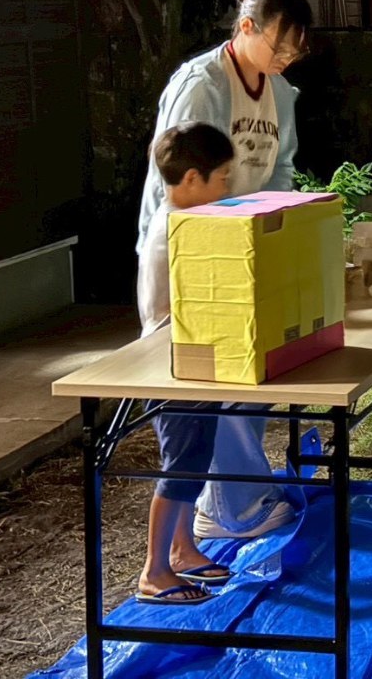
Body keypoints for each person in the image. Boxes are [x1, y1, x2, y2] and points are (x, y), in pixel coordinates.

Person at [137, 0, 313, 540]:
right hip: (193, 254)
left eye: (294, 53)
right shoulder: (201, 86)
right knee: (213, 389)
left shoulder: (280, 91)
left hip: (246, 249)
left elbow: (280, 169)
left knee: (249, 379)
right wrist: (218, 241)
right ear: (246, 28)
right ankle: (230, 509)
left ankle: (234, 499)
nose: (285, 60)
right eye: (278, 48)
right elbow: (176, 183)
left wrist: (272, 233)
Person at [135, 122, 235, 604]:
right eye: (223, 178)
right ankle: (153, 571)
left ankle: (181, 549)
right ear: (192, 178)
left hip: (192, 358)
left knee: (194, 458)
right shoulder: (179, 228)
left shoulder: (177, 217)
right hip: (173, 363)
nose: (228, 189)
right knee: (181, 464)